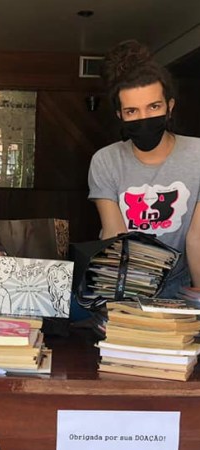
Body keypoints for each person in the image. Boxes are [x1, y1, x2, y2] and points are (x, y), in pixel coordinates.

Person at [88, 40, 200, 298]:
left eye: (154, 107)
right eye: (132, 111)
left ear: (170, 106)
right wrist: (124, 301)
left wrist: (197, 296)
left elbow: (197, 237)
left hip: (179, 285)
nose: (144, 118)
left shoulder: (197, 155)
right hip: (123, 281)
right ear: (120, 115)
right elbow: (114, 234)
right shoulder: (106, 160)